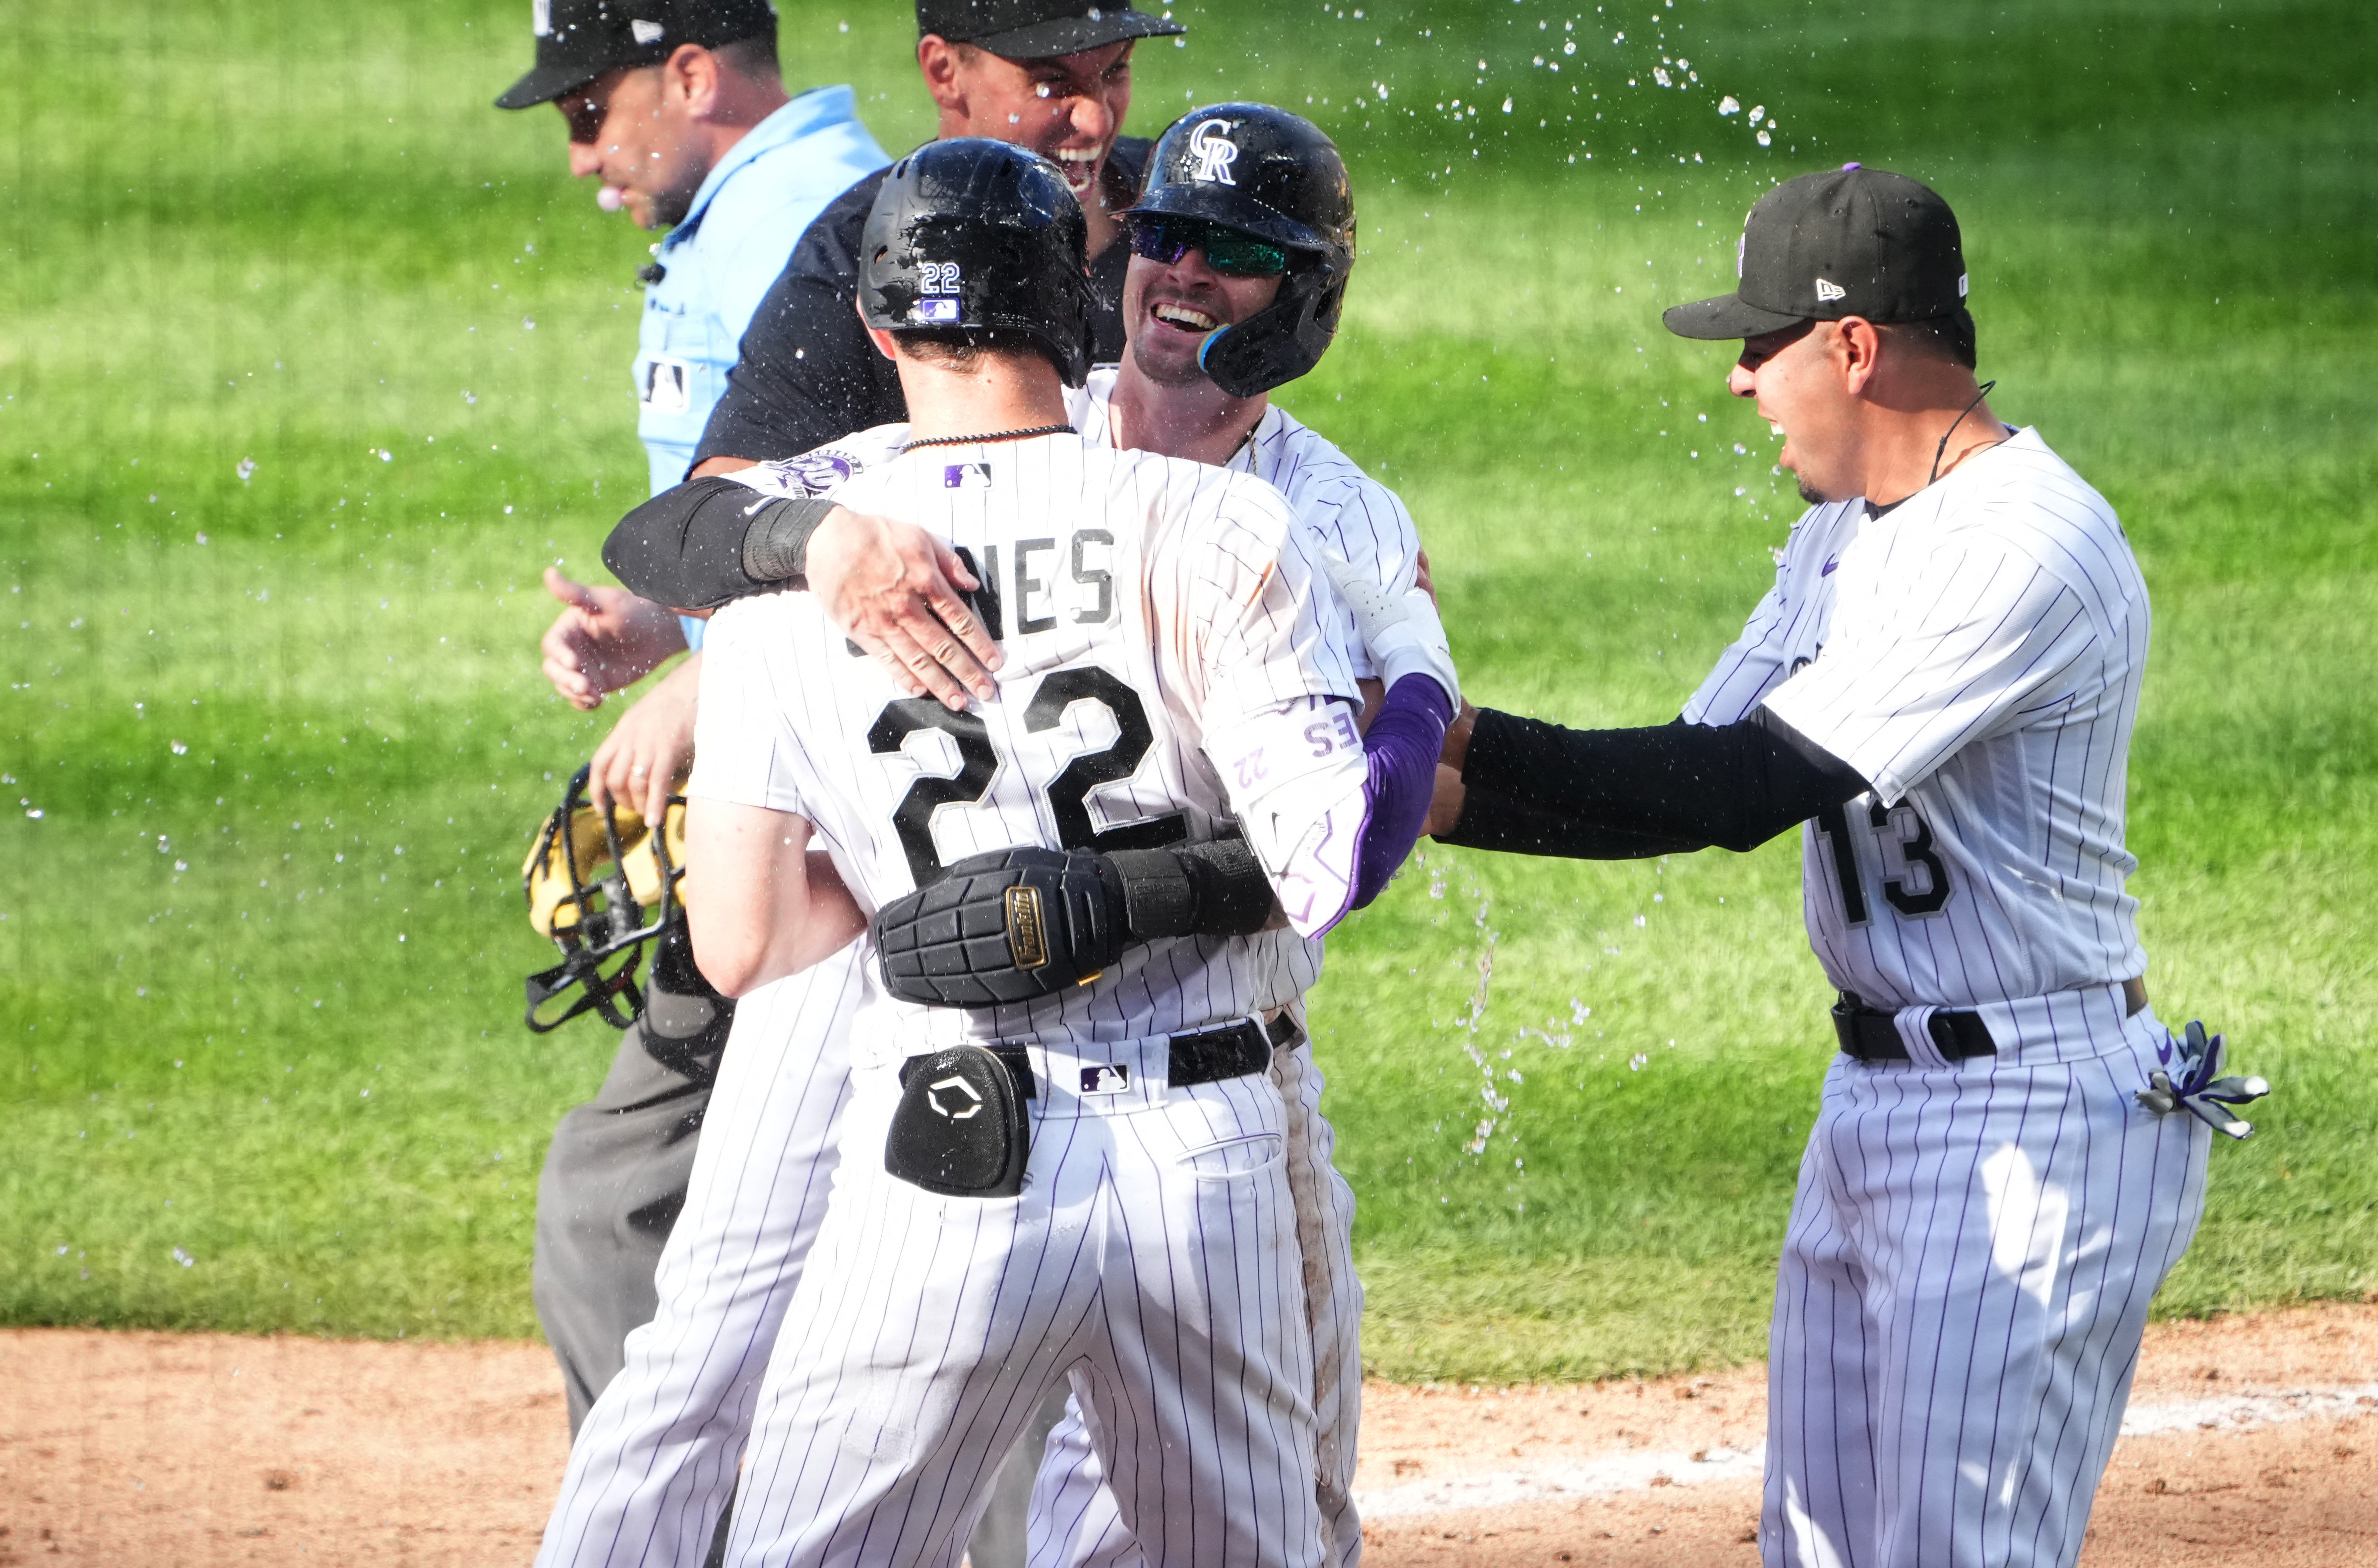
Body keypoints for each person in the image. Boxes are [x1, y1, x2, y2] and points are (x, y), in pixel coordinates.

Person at [586, 105, 1398, 1568]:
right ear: (1074, 303)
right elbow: (1325, 856)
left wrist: (907, 894)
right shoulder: (1223, 528)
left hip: (945, 1149)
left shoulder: (798, 574)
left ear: (883, 337)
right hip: (1203, 1160)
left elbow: (746, 940)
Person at [1426, 165, 2255, 1568]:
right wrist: (1416, 794)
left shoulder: (2019, 544)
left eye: (1760, 345)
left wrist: (1442, 740)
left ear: (1853, 347)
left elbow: (1740, 791)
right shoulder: (1835, 534)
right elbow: (1682, 763)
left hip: (2022, 1119)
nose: (1739, 381)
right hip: (1874, 1106)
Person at [493, 0, 886, 1437]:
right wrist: (663, 626)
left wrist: (711, 682)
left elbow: (905, 498)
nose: (580, 156)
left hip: (837, 796)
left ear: (693, 73)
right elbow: (778, 519)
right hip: (812, 780)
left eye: (587, 112)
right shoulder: (753, 212)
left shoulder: (805, 214)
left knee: (624, 1204)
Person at [683, 0, 1181, 478]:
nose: (1096, 118)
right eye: (1051, 81)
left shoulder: (1182, 202)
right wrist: (823, 537)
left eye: (1115, 71)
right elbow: (724, 495)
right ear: (944, 72)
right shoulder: (863, 247)